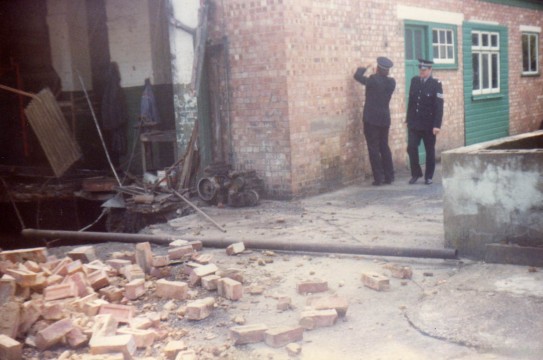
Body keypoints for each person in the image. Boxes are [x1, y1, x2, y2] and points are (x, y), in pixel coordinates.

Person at [354, 56, 396, 186]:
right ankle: (389, 176)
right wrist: (376, 71)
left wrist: (365, 66)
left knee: (373, 148)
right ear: (387, 70)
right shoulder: (392, 82)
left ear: (377, 68)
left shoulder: (373, 80)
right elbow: (379, 80)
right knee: (384, 147)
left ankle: (378, 178)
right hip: (384, 119)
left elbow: (357, 76)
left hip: (371, 120)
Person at [406, 58, 444, 185]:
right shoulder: (414, 81)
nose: (421, 72)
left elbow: (439, 106)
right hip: (415, 124)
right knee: (411, 147)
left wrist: (437, 125)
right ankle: (416, 173)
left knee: (429, 150)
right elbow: (411, 102)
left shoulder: (436, 84)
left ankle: (429, 176)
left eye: (424, 70)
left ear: (430, 70)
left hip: (429, 125)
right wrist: (408, 119)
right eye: (420, 70)